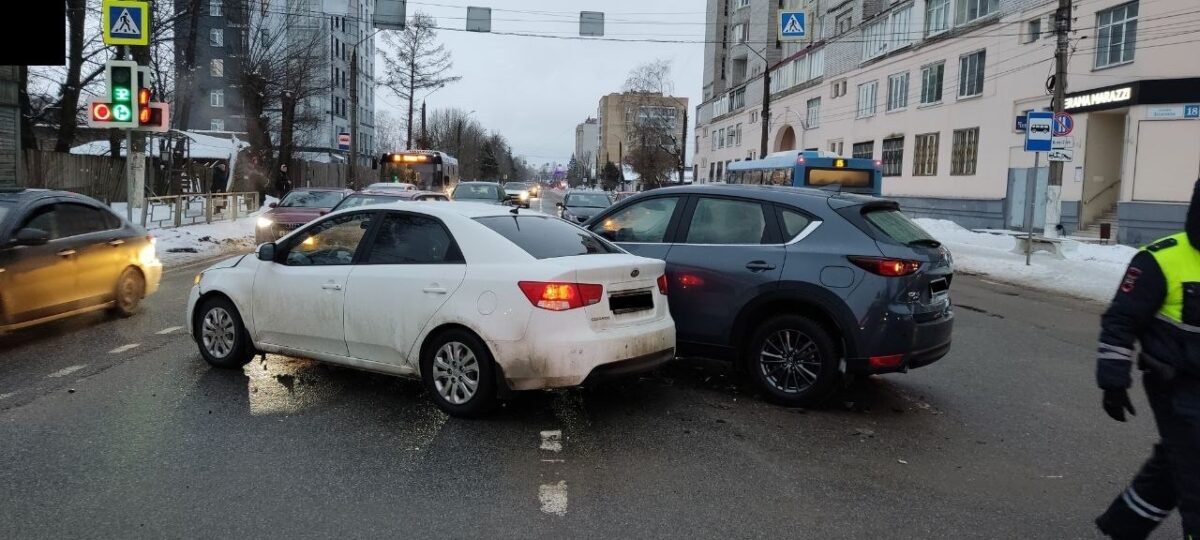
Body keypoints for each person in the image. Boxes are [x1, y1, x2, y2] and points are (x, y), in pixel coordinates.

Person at [1095, 179, 1200, 539]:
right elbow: (1120, 321)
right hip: (1176, 383)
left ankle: (1124, 526)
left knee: (1177, 463)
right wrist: (1113, 380)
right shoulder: (1159, 259)